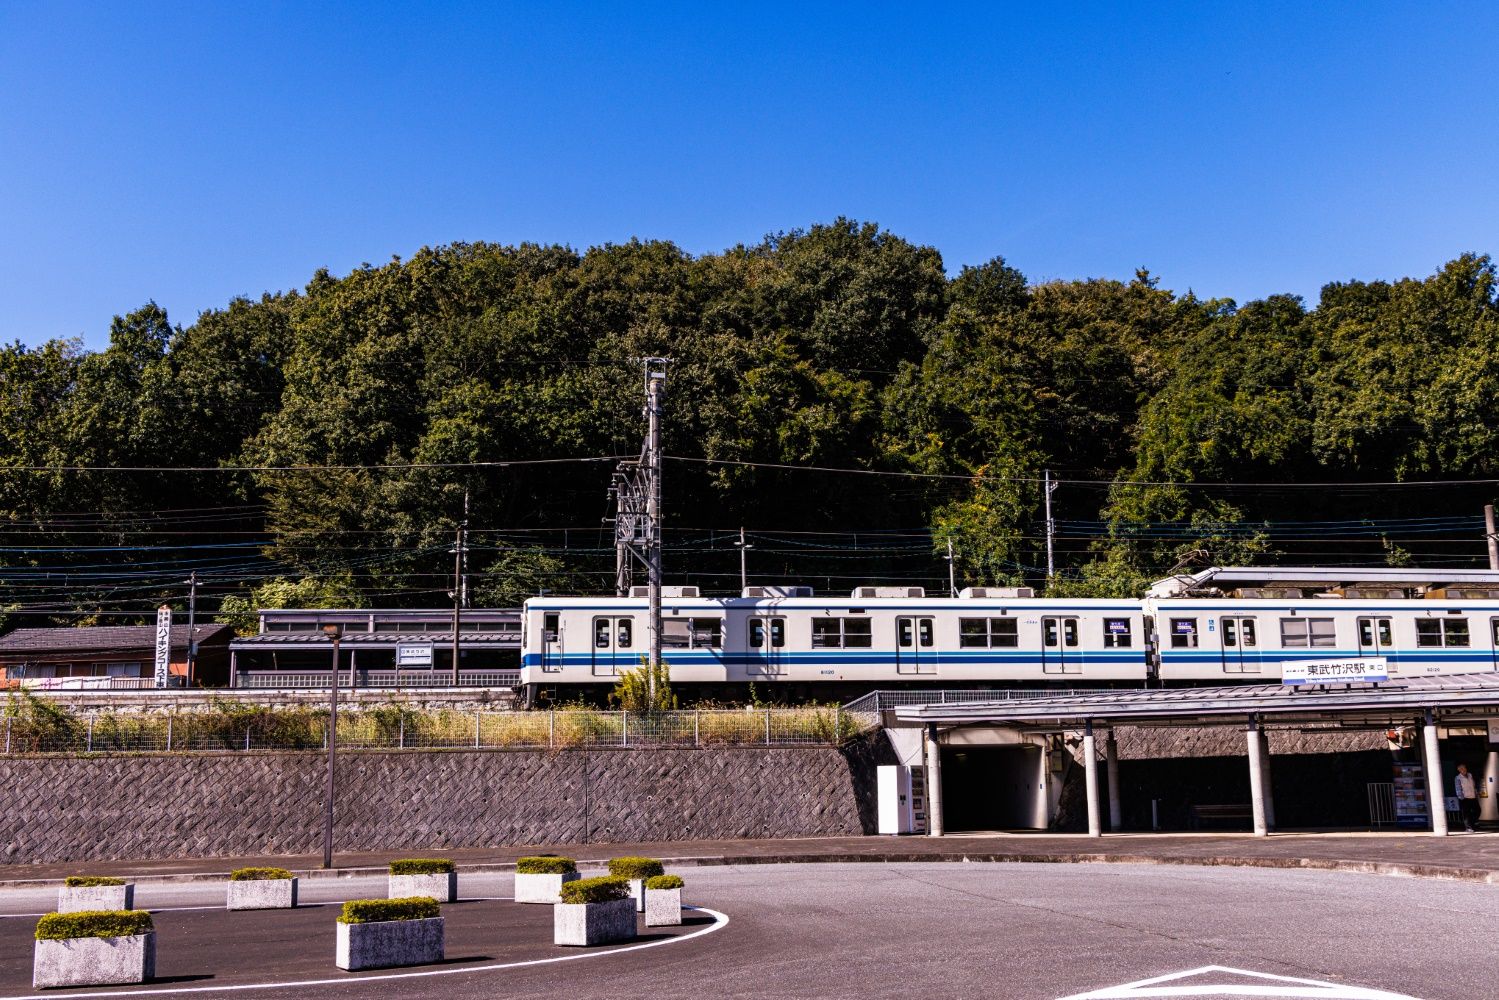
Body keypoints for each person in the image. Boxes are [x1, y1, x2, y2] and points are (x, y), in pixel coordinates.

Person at [1455, 763, 1479, 832]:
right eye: (1461, 769)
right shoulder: (1458, 778)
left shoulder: (1470, 775)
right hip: (1465, 798)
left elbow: (1473, 785)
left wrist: (1476, 793)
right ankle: (1468, 827)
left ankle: (1472, 823)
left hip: (1473, 797)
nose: (1464, 770)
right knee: (1466, 813)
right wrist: (1461, 797)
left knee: (1478, 811)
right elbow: (1458, 788)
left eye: (1464, 768)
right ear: (1459, 770)